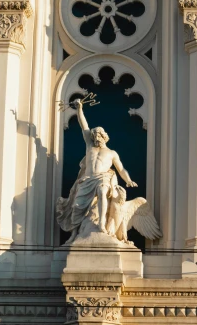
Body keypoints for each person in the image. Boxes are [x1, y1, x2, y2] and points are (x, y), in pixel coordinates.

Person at [56, 99, 137, 239]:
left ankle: (101, 223)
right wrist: (79, 109)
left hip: (102, 178)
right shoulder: (90, 146)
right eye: (94, 136)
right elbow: (84, 126)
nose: (96, 138)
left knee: (102, 190)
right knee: (77, 206)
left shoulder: (112, 153)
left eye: (99, 136)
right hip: (87, 180)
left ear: (105, 137)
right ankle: (73, 235)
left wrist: (128, 180)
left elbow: (121, 169)